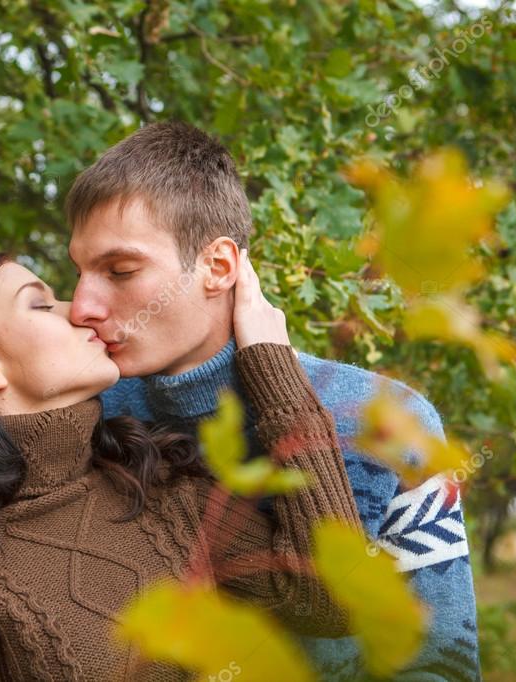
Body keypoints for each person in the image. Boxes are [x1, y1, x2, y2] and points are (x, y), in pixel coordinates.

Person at [66, 121, 479, 681]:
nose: (81, 306)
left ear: (218, 267)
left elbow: (440, 662)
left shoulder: (391, 419)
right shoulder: (88, 415)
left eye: (120, 270)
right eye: (80, 272)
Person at [0, 252, 364, 681]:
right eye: (40, 304)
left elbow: (332, 602)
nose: (81, 309)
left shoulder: (152, 483)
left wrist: (271, 366)